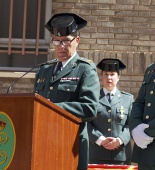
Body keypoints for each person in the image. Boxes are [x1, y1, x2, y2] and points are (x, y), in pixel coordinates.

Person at [33, 13, 100, 170]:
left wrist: (53, 108)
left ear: (77, 41)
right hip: (43, 143)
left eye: (65, 41)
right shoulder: (44, 70)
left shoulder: (85, 69)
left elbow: (90, 108)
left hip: (70, 144)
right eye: (56, 41)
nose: (60, 46)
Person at [129, 9, 155, 170]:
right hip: (146, 153)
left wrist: (148, 132)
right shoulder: (153, 68)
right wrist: (135, 128)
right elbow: (139, 102)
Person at [87, 58, 134, 165]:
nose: (109, 77)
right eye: (105, 74)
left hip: (121, 156)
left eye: (112, 74)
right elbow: (86, 123)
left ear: (118, 77)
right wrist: (100, 139)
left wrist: (120, 140)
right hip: (96, 155)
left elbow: (131, 124)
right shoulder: (92, 98)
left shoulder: (128, 99)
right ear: (101, 77)